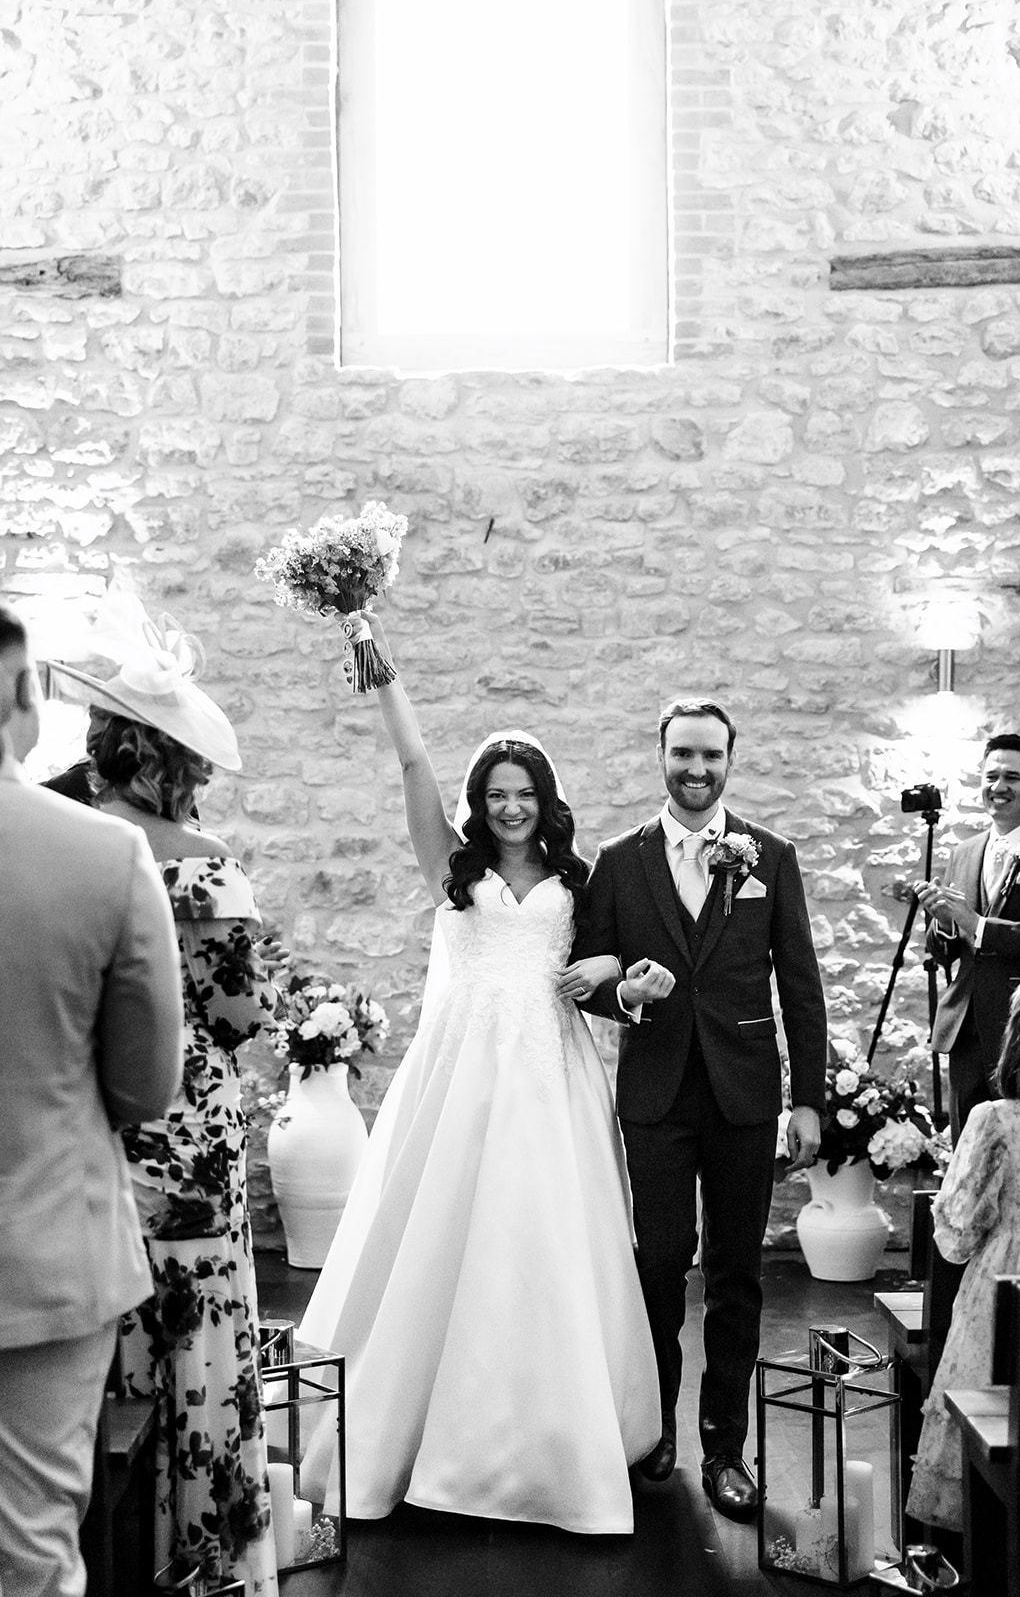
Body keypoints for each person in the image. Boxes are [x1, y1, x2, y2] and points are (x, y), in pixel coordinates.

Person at [299, 609, 669, 1536]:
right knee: (439, 1244)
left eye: (524, 793)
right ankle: (416, 1432)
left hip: (550, 1083)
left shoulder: (577, 886)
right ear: (479, 800)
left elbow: (603, 984)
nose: (510, 806)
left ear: (546, 802)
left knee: (543, 1253)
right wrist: (377, 668)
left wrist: (628, 984)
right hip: (461, 1075)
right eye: (496, 792)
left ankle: (555, 1438)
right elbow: (413, 768)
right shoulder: (449, 872)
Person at [48, 606, 281, 1595]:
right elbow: (239, 1017)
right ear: (172, 761)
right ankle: (199, 1562)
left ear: (102, 748)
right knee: (201, 1344)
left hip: (93, 1132)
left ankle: (94, 1554)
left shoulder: (63, 845)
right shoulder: (206, 864)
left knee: (110, 1347)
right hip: (192, 1148)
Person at [572, 697, 827, 1521]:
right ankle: (653, 1435)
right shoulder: (618, 860)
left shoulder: (770, 857)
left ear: (729, 760)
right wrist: (626, 996)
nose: (696, 769)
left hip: (744, 1094)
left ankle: (725, 1449)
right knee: (657, 1266)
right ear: (661, 755)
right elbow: (585, 978)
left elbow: (800, 983)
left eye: (711, 756)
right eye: (683, 754)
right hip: (653, 1094)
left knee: (735, 1274)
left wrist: (810, 1101)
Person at [0, 602, 183, 1597]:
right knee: (32, 1549)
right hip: (47, 1250)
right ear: (24, 702)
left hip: (49, 1257)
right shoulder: (103, 858)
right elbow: (144, 1084)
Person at [906, 965, 1020, 1531]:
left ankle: (972, 1552)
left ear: (1018, 1039)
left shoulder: (995, 1121)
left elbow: (953, 1240)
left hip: (1005, 1313)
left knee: (990, 1411)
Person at [915, 733, 1020, 1144]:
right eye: (991, 776)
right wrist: (945, 924)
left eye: (1012, 778)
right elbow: (947, 948)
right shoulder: (963, 852)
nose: (999, 787)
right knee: (967, 1148)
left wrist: (976, 924)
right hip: (966, 1029)